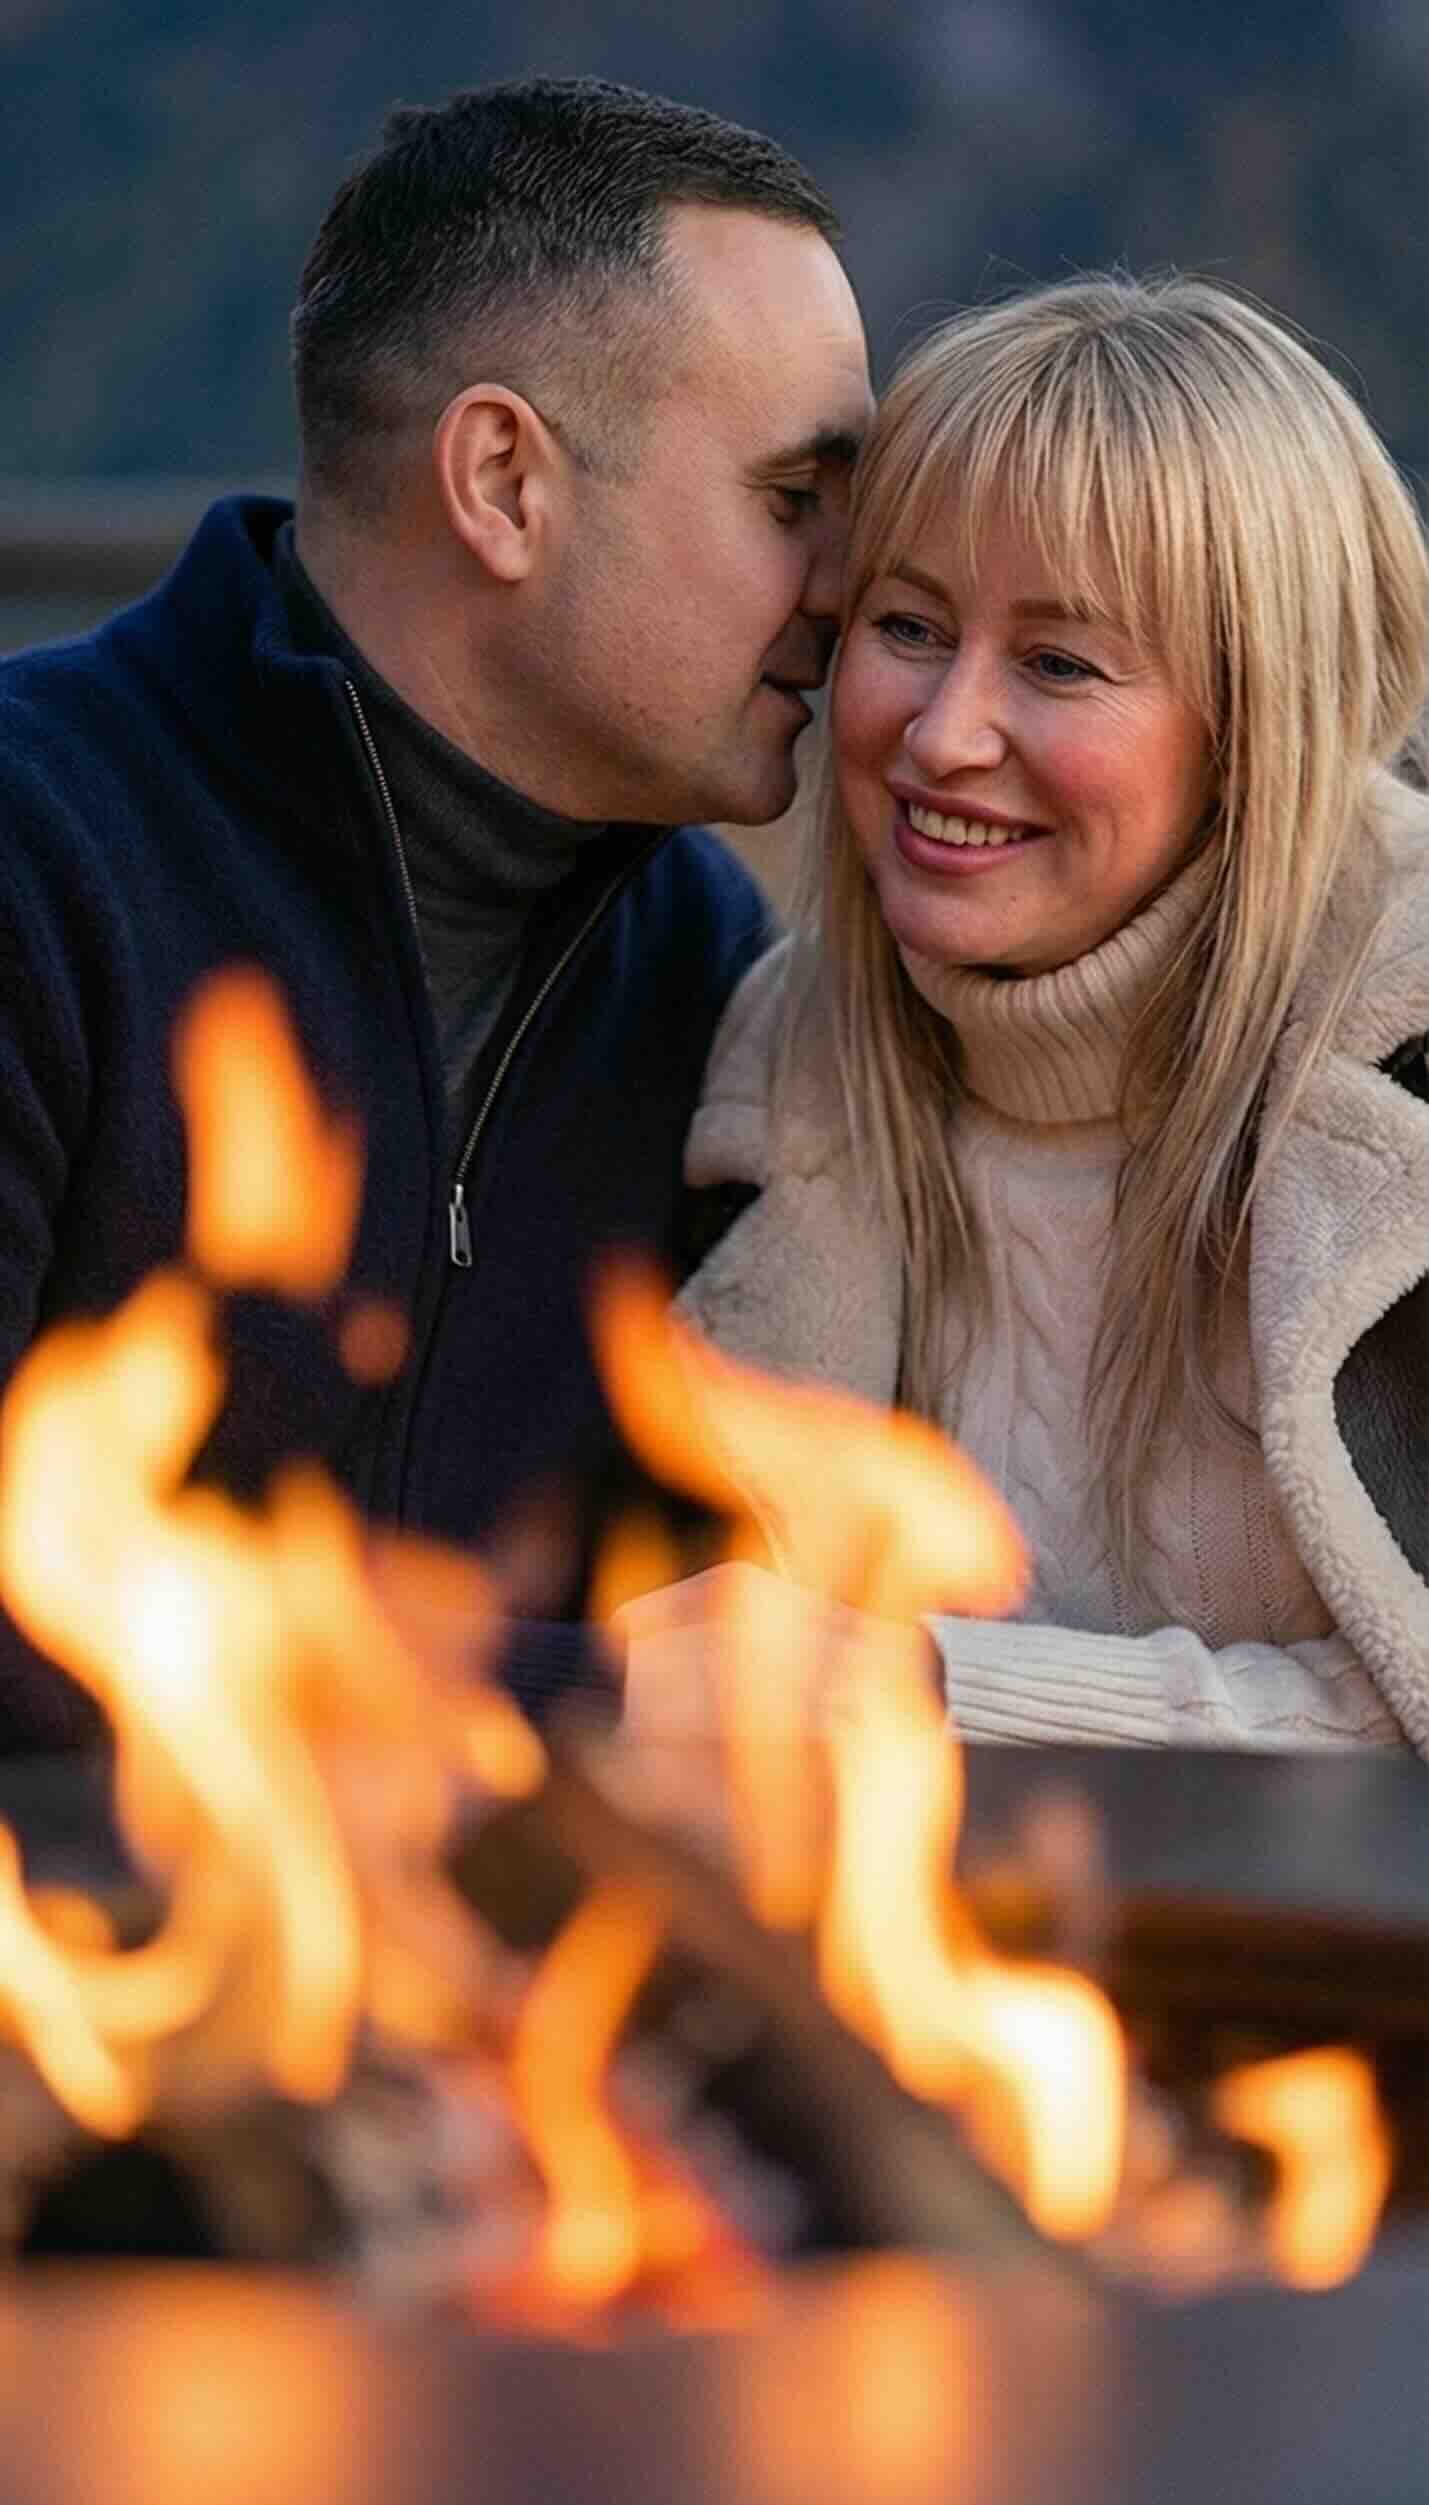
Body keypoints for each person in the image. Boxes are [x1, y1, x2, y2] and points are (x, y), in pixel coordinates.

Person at [0, 77, 873, 1747]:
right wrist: (588, 1695)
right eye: (790, 501)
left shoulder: (700, 962)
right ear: (502, 481)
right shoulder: (38, 865)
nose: (847, 586)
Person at [650, 271, 1429, 1758]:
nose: (943, 735)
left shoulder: (1412, 1066)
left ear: (1259, 724)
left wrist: (930, 1689)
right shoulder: (780, 1055)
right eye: (908, 626)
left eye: (1059, 663)